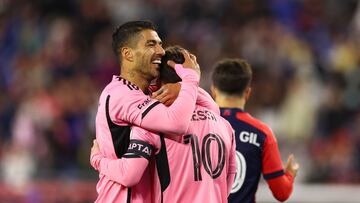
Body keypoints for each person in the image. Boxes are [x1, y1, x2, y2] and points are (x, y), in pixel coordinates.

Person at [91, 45, 237, 203]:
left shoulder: (154, 125)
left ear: (159, 80)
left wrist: (97, 158)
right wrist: (185, 86)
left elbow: (129, 174)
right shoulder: (224, 125)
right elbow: (229, 177)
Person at [94, 20, 202, 202]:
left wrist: (182, 86)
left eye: (160, 44)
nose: (160, 51)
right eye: (151, 44)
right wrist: (190, 82)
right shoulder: (120, 94)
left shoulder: (146, 93)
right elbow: (177, 123)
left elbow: (212, 108)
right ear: (128, 54)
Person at [211, 58, 299, 203]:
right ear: (247, 92)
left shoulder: (192, 126)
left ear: (213, 90)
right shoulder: (261, 133)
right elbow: (281, 192)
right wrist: (289, 174)